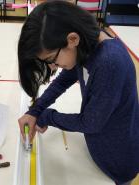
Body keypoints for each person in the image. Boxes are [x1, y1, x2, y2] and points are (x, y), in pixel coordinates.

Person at [17, 1, 139, 185]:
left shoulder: (109, 62)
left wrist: (46, 116)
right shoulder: (86, 47)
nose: (53, 67)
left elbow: (90, 122)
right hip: (99, 148)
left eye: (53, 60)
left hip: (117, 159)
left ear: (72, 39)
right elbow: (62, 82)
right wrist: (35, 110)